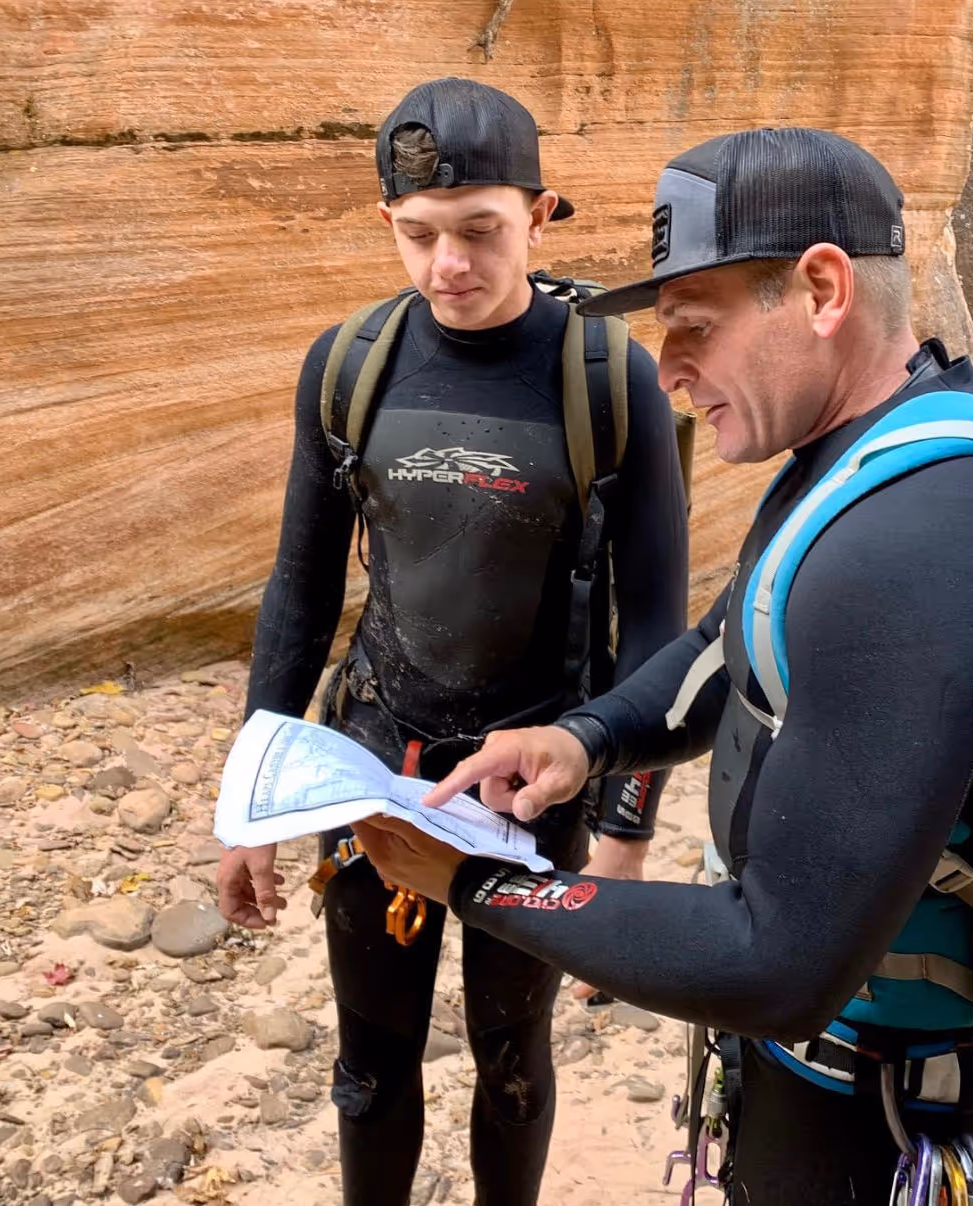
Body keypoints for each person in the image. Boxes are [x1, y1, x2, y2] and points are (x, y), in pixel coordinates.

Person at [351, 127, 973, 1204]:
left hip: (884, 1131)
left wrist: (466, 879)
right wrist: (583, 738)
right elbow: (719, 647)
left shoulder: (914, 547)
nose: (668, 370)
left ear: (822, 289)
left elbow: (774, 961)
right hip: (834, 1087)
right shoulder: (870, 450)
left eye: (692, 329)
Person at [215, 78, 689, 1206]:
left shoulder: (607, 377)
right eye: (418, 237)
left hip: (535, 787)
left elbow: (658, 615)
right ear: (389, 225)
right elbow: (299, 588)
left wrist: (625, 826)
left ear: (542, 212)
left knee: (512, 1063)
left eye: (482, 231)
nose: (449, 268)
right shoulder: (348, 366)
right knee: (370, 1066)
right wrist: (249, 803)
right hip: (374, 766)